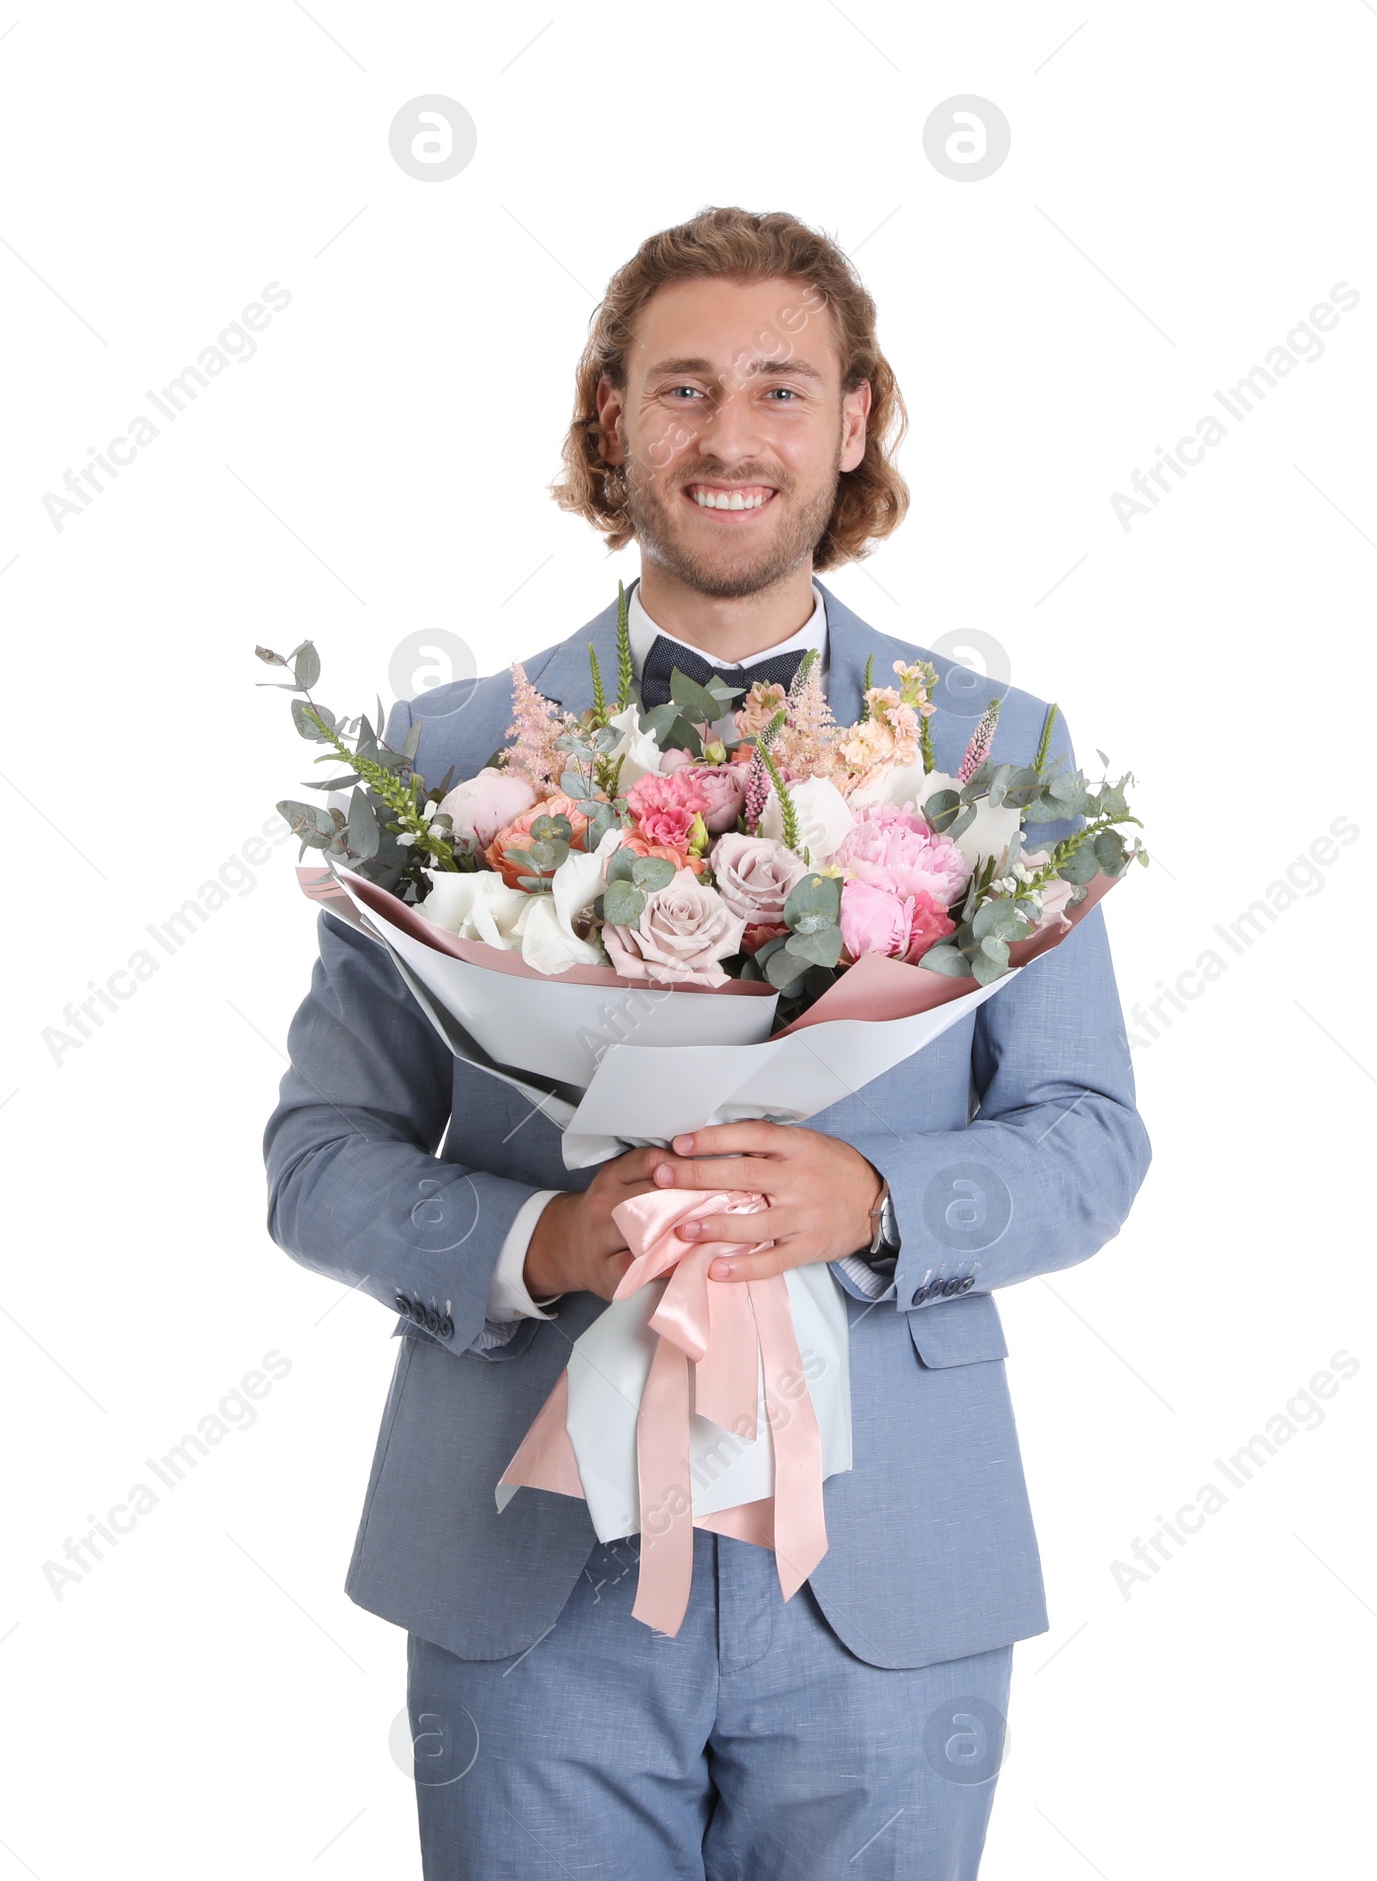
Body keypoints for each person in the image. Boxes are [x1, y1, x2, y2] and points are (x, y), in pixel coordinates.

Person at [264, 204, 1150, 1880]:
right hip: (528, 1565)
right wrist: (542, 1237)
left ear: (855, 419)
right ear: (611, 417)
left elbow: (1089, 1137)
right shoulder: (442, 755)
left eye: (781, 388)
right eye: (681, 390)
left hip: (889, 1566)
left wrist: (872, 1201)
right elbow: (317, 1161)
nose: (732, 436)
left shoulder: (997, 751)